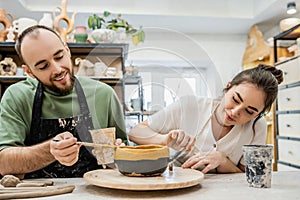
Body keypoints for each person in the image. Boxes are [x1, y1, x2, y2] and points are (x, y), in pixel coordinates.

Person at [0, 25, 128, 178]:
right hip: (37, 193)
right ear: (29, 72)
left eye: (59, 56)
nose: (57, 69)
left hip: (94, 193)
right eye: (43, 66)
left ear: (67, 51)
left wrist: (117, 156)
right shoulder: (17, 97)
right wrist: (50, 151)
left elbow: (120, 159)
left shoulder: (103, 95)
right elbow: (4, 163)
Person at [129, 64, 283, 174]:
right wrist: (164, 140)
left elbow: (250, 175)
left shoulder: (257, 127)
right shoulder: (190, 105)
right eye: (235, 100)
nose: (236, 112)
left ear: (259, 114)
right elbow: (135, 132)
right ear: (228, 87)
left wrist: (224, 161)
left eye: (249, 112)